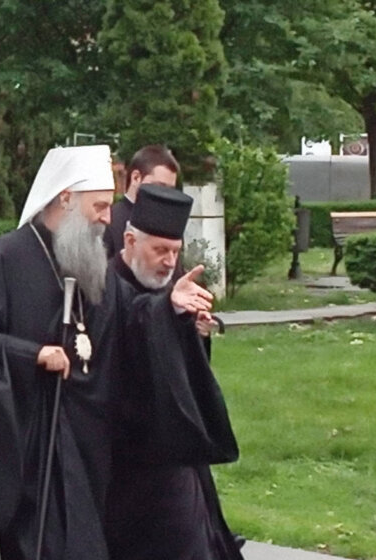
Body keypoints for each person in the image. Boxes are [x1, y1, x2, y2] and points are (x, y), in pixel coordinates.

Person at [0, 145, 215, 560]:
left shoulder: (89, 260)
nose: (109, 217)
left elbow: (133, 316)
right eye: (101, 206)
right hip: (39, 453)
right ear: (66, 198)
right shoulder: (4, 259)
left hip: (93, 448)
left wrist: (169, 306)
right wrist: (31, 354)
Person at [105, 184, 242, 560]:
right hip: (128, 464)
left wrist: (192, 331)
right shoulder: (104, 286)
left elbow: (179, 370)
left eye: (175, 252)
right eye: (159, 250)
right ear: (130, 241)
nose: (168, 262)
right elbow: (131, 327)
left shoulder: (173, 288)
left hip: (175, 456)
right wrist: (167, 309)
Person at [104, 145, 179, 258]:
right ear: (136, 178)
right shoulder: (108, 221)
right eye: (159, 186)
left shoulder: (166, 224)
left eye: (170, 189)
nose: (165, 195)